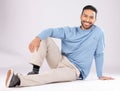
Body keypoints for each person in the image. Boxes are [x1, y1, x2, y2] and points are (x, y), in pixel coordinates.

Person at [5, 5, 114, 88]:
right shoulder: (70, 31)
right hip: (60, 61)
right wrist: (37, 38)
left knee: (51, 76)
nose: (88, 20)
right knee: (45, 37)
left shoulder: (98, 32)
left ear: (95, 20)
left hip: (74, 70)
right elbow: (50, 31)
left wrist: (100, 75)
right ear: (81, 16)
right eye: (85, 16)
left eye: (91, 17)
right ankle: (35, 70)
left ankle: (18, 80)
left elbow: (99, 54)